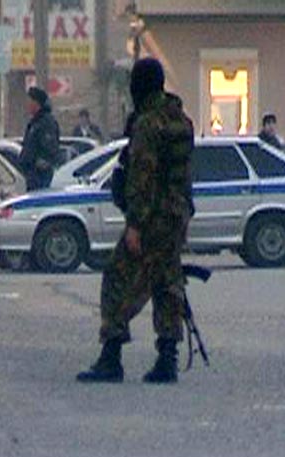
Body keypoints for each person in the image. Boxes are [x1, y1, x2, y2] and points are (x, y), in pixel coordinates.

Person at [77, 58, 195, 384]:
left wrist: (135, 224)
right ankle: (167, 359)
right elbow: (183, 176)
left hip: (152, 218)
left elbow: (143, 178)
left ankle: (111, 356)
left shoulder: (148, 124)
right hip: (176, 216)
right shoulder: (181, 121)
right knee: (167, 284)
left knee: (117, 278)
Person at [18, 86, 60, 191]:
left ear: (36, 103)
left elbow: (50, 148)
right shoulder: (34, 122)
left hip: (40, 176)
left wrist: (42, 162)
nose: (27, 104)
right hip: (31, 175)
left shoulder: (46, 123)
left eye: (29, 101)